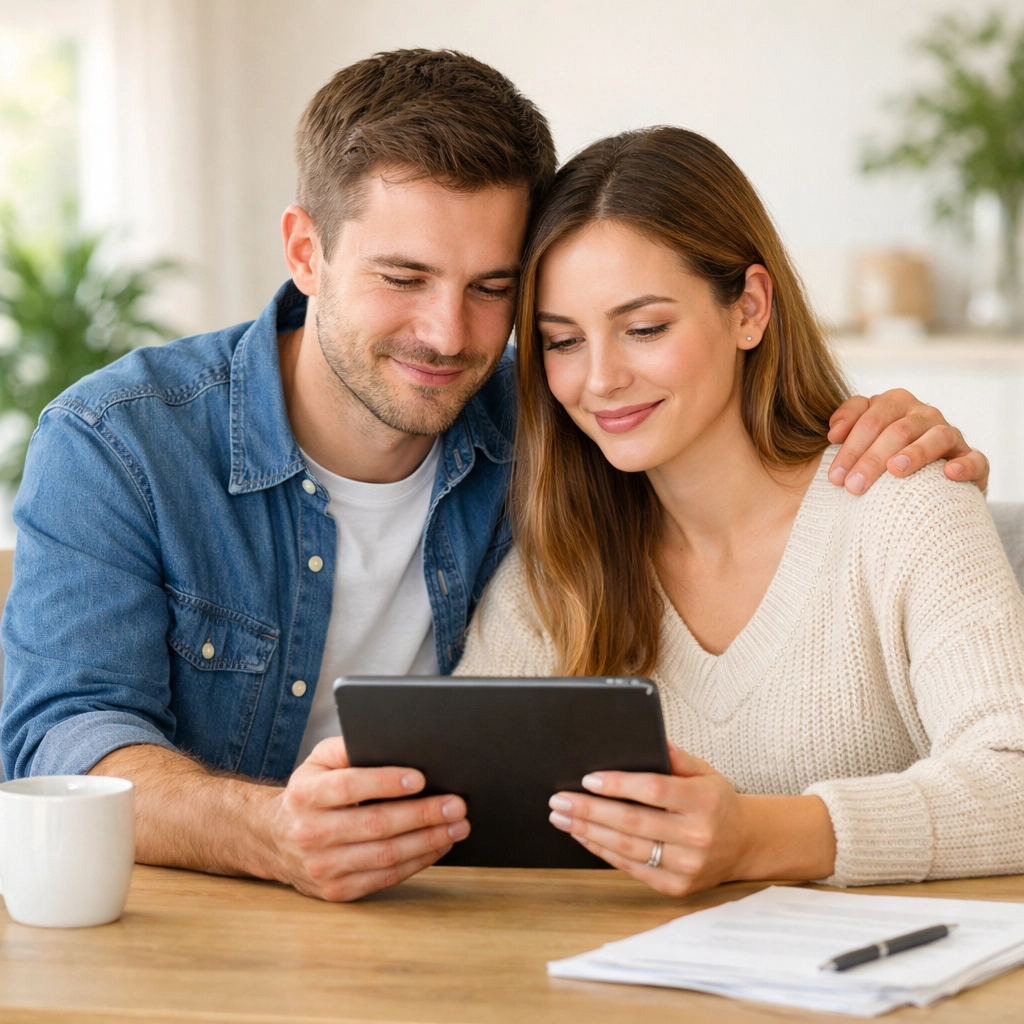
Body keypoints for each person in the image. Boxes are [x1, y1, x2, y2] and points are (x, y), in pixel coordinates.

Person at [0, 51, 990, 904]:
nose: (447, 335)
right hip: (204, 928)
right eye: (403, 277)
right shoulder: (122, 440)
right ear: (307, 250)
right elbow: (60, 737)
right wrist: (267, 832)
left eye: (493, 292)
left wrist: (900, 454)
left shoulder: (556, 441)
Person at [455, 126, 1024, 894]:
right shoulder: (557, 564)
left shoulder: (903, 502)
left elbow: (1013, 778)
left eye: (645, 328)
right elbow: (473, 806)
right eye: (562, 342)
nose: (601, 379)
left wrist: (757, 838)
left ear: (749, 308)